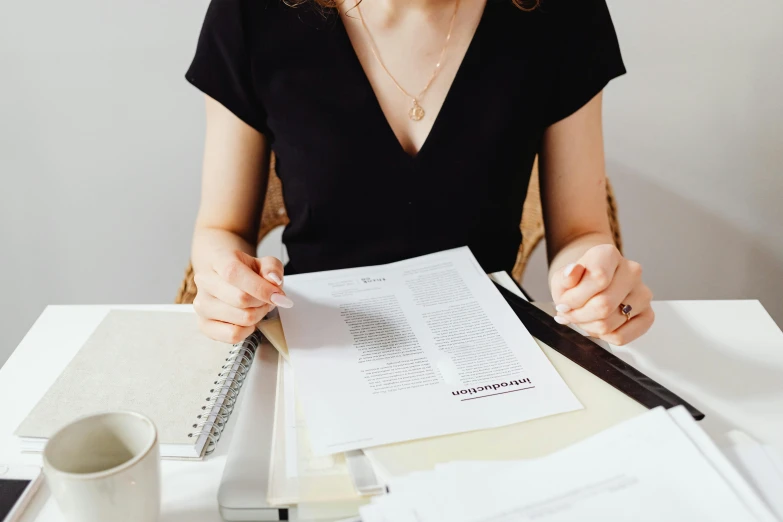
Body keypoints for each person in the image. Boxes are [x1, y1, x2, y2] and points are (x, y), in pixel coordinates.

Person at [185, 0, 654, 346]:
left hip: (492, 348)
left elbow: (581, 231)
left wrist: (591, 282)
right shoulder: (251, 13)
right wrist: (225, 280)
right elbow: (221, 229)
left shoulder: (562, 12)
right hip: (323, 346)